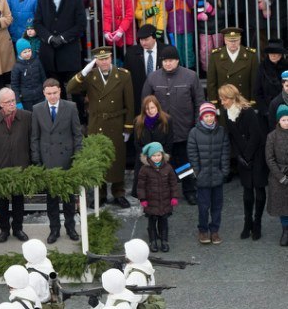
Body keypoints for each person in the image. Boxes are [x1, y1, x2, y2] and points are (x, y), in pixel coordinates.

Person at [67, 46, 134, 206]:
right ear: (96, 61)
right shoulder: (90, 76)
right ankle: (101, 194)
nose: (104, 62)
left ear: (111, 58)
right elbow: (70, 88)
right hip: (97, 124)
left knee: (117, 159)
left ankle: (119, 193)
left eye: (106, 58)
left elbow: (130, 103)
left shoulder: (123, 75)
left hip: (116, 122)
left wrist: (128, 127)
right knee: (98, 159)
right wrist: (84, 71)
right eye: (100, 59)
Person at [143, 46, 202, 203]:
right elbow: (146, 105)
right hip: (160, 131)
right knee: (161, 163)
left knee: (184, 163)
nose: (168, 64)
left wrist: (197, 125)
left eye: (171, 61)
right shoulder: (153, 78)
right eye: (165, 61)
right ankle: (165, 192)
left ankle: (189, 190)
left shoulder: (191, 76)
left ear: (177, 61)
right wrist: (149, 128)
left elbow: (199, 103)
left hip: (184, 129)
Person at [31, 79, 82, 242]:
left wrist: (77, 157)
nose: (52, 96)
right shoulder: (37, 109)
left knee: (68, 198)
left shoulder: (71, 107)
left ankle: (71, 227)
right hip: (48, 160)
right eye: (49, 94)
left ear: (60, 91)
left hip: (67, 159)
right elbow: (35, 137)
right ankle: (54, 230)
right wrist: (37, 160)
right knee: (51, 199)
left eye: (55, 93)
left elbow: (77, 134)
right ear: (44, 94)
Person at [218, 83, 267, 239]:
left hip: (257, 155)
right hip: (242, 156)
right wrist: (239, 156)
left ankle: (257, 223)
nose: (222, 102)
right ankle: (248, 223)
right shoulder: (226, 113)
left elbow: (256, 136)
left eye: (223, 99)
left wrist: (248, 155)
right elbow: (233, 136)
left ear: (231, 98)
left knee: (259, 191)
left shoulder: (248, 111)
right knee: (247, 193)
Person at [0, 87, 31, 243]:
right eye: (8, 102)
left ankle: (18, 229)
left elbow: (32, 142)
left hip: (20, 167)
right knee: (2, 203)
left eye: (13, 100)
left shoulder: (27, 117)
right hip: (0, 169)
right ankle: (4, 230)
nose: (12, 104)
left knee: (19, 201)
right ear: (0, 104)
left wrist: (30, 166)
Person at [32, 0, 86, 88]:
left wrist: (63, 37)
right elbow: (37, 23)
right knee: (55, 91)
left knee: (76, 90)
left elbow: (81, 24)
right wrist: (50, 38)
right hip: (50, 54)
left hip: (70, 51)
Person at [187, 101, 230, 243]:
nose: (209, 118)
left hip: (217, 176)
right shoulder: (194, 132)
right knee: (203, 207)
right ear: (201, 117)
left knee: (217, 206)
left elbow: (225, 152)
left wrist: (224, 171)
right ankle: (203, 231)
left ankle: (215, 231)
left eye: (211, 115)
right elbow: (192, 154)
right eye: (206, 116)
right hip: (202, 177)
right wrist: (197, 172)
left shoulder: (221, 131)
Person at [137, 141, 180, 252]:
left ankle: (164, 240)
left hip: (165, 201)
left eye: (159, 155)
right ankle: (153, 241)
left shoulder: (168, 168)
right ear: (149, 157)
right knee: (152, 221)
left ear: (163, 155)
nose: (157, 158)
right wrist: (143, 199)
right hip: (151, 202)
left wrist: (174, 196)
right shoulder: (144, 170)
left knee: (164, 221)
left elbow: (173, 183)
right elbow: (140, 186)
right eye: (154, 156)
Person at [206, 26, 258, 103]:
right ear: (225, 40)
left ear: (240, 40)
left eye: (236, 40)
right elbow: (211, 83)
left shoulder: (250, 55)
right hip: (224, 101)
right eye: (230, 41)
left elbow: (254, 81)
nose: (233, 43)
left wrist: (253, 101)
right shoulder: (216, 56)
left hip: (243, 101)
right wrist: (214, 103)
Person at [265, 105, 288, 246]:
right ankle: (285, 231)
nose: (286, 122)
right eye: (284, 119)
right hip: (278, 177)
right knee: (283, 207)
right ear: (279, 121)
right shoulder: (272, 136)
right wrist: (281, 176)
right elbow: (269, 159)